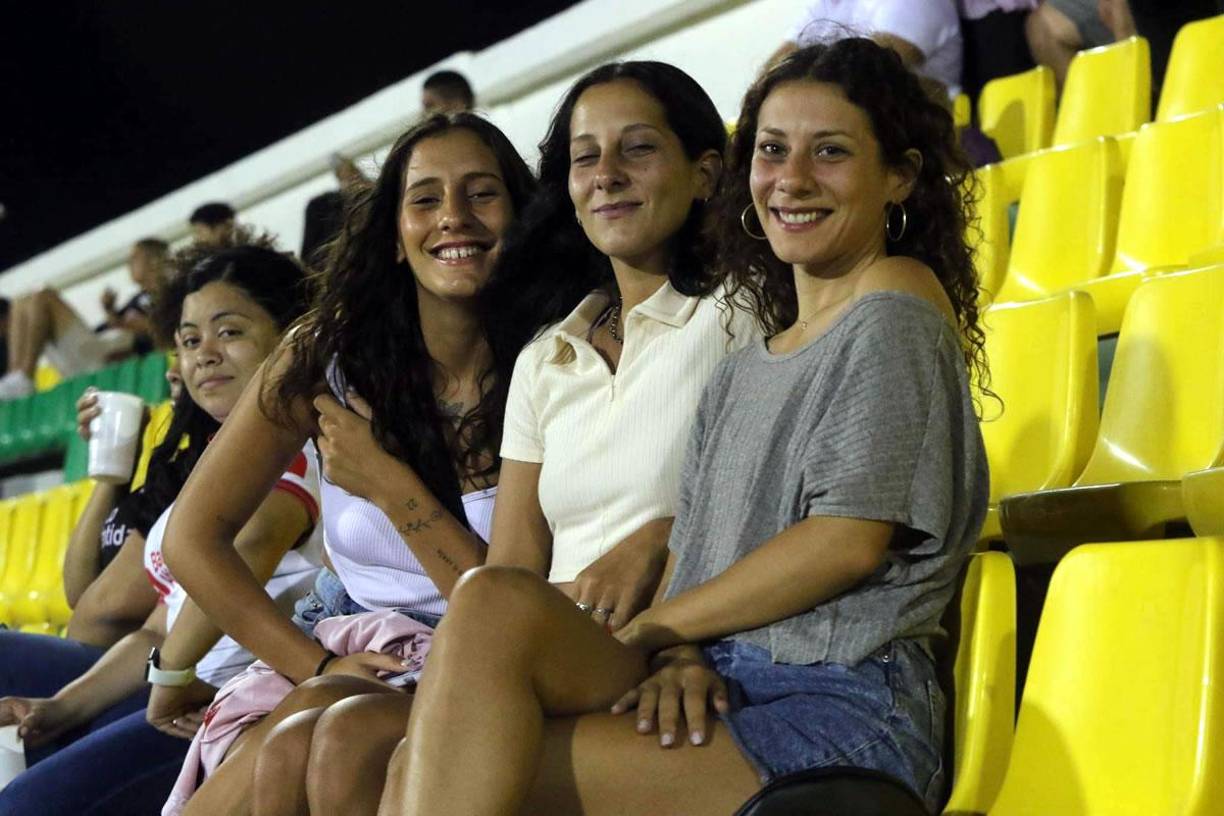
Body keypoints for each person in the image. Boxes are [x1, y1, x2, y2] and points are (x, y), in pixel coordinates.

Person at [378, 37, 989, 815]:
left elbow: (845, 540)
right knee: (489, 605)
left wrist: (654, 631)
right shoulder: (745, 367)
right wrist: (681, 651)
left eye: (829, 152)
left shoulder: (895, 301)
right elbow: (700, 557)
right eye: (772, 151)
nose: (792, 180)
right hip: (724, 682)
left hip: (838, 706)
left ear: (897, 176)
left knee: (453, 772)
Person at [245, 60, 757, 816]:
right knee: (335, 731)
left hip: (670, 645)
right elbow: (512, 571)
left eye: (638, 150)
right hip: (567, 652)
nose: (608, 175)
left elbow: (777, 492)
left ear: (706, 173)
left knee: (421, 679)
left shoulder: (743, 314)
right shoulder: (551, 353)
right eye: (586, 157)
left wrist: (665, 541)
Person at [157, 112, 536, 816]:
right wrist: (318, 665)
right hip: (354, 643)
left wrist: (388, 485)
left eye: (482, 194)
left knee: (319, 739)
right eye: (424, 199)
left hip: (499, 655)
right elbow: (191, 537)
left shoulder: (559, 357)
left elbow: (511, 603)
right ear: (393, 234)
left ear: (521, 217)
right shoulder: (326, 356)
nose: (453, 218)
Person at [0, 239, 320, 815]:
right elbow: (153, 631)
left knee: (27, 805)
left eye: (230, 332)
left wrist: (171, 673)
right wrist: (59, 707)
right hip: (168, 696)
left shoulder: (296, 443)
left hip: (227, 701)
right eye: (190, 341)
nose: (204, 355)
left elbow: (246, 550)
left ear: (291, 335)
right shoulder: (211, 469)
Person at [0, 238, 169, 400]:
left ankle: (23, 379)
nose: (128, 263)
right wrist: (110, 311)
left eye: (135, 258)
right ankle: (16, 375)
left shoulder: (166, 294)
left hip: (108, 360)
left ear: (153, 261)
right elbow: (121, 323)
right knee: (20, 303)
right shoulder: (136, 299)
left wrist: (131, 323)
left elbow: (164, 328)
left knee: (44, 296)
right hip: (96, 351)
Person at [772, 0, 964, 97]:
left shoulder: (912, 3)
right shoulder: (830, 4)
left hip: (927, 139)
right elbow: (771, 74)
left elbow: (866, 74)